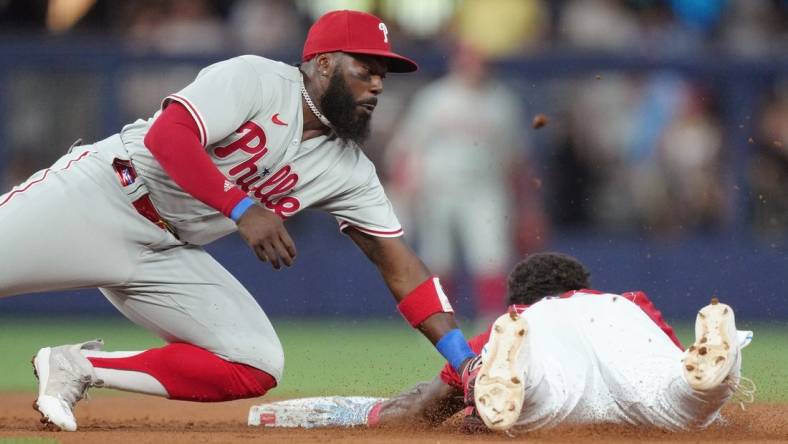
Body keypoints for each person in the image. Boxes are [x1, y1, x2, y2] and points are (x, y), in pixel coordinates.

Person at [0, 10, 478, 432]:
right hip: (102, 195)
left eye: (383, 76)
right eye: (365, 70)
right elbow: (168, 138)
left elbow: (401, 267)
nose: (376, 85)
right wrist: (243, 209)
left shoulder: (350, 169)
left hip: (164, 252)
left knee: (255, 362)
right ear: (324, 63)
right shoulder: (256, 79)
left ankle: (77, 367)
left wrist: (464, 362)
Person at [250, 252, 754, 433]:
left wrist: (337, 415)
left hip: (542, 357)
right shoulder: (627, 301)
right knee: (676, 397)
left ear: (519, 302)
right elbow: (653, 357)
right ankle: (716, 368)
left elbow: (416, 410)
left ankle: (514, 378)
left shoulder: (519, 318)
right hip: (622, 327)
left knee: (536, 400)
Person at [385, 41, 538, 321]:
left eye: (478, 61)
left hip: (485, 188)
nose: (473, 67)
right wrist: (405, 190)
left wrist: (525, 204)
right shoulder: (435, 98)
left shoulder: (502, 102)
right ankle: (438, 321)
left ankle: (492, 322)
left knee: (491, 256)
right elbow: (406, 147)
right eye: (468, 60)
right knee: (438, 259)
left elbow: (516, 159)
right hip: (438, 189)